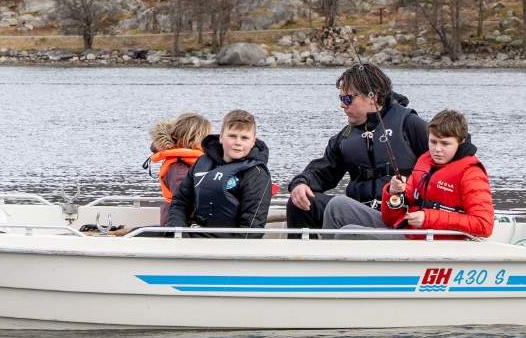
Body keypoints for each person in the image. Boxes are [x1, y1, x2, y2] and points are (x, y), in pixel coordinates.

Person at [286, 62, 427, 231]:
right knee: (300, 202)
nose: (342, 105)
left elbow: (448, 159)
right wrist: (301, 183)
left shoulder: (410, 124)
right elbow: (322, 172)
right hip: (359, 211)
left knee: (338, 206)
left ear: (373, 97)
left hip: (401, 214)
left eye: (347, 99)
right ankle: (306, 248)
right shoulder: (344, 137)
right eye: (341, 99)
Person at [374, 109, 494, 237]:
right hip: (407, 230)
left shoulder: (472, 174)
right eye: (433, 141)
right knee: (355, 210)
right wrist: (393, 192)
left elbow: (484, 225)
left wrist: (428, 218)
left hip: (430, 242)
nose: (437, 149)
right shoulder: (424, 160)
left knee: (357, 232)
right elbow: (390, 219)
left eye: (445, 143)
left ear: (461, 142)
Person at [163, 109, 271, 236]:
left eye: (244, 138)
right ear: (221, 137)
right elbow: (180, 202)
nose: (238, 142)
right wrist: (179, 233)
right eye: (232, 136)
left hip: (229, 242)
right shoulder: (202, 163)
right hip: (193, 235)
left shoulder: (256, 174)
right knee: (144, 234)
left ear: (253, 142)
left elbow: (252, 228)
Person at [147, 112, 213, 223]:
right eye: (205, 137)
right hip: (178, 222)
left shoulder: (193, 161)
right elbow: (182, 200)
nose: (209, 141)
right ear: (192, 138)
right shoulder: (179, 167)